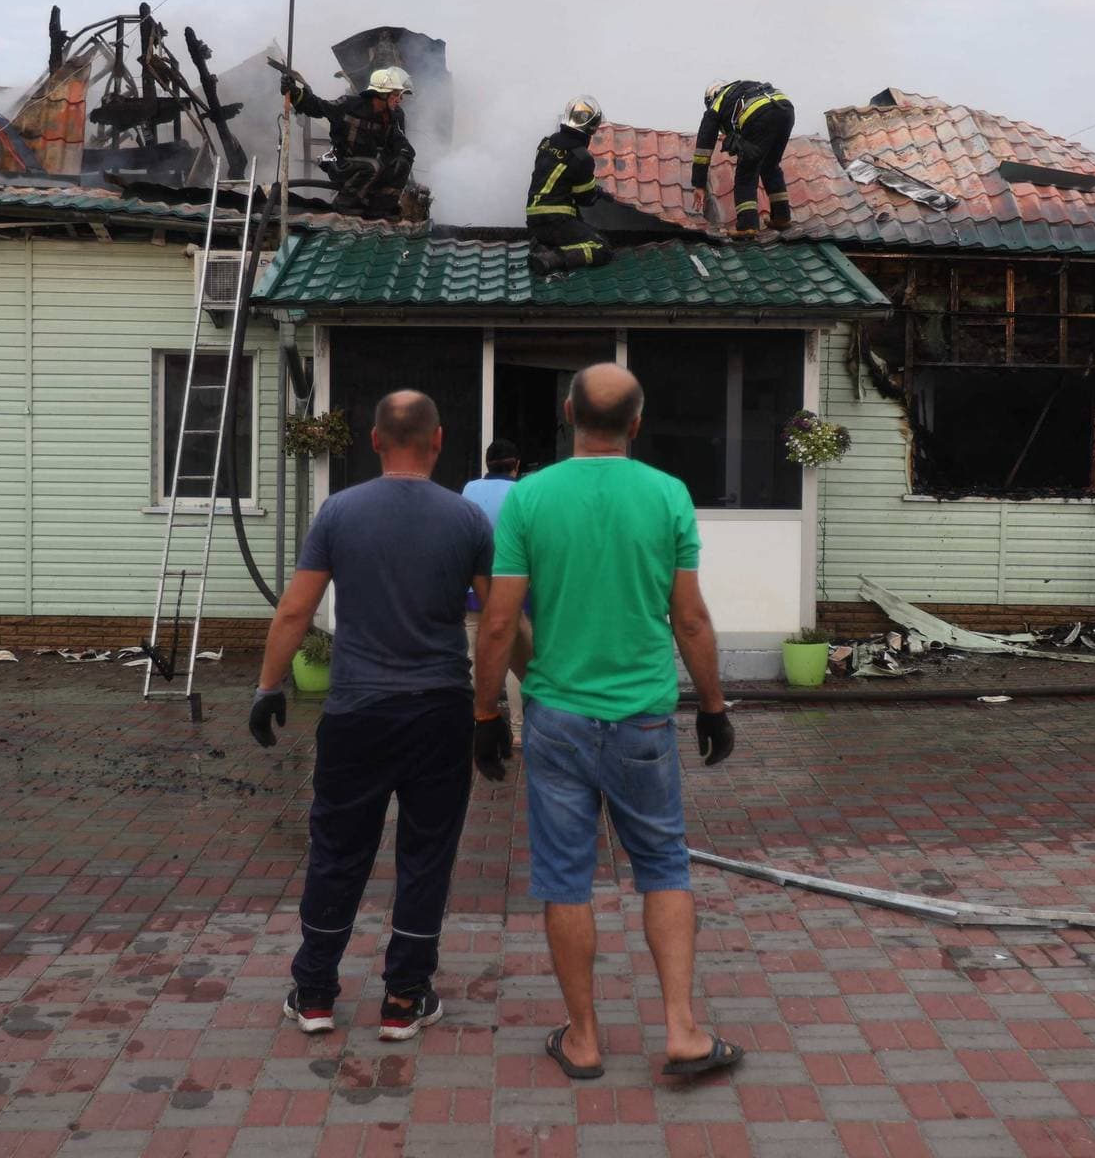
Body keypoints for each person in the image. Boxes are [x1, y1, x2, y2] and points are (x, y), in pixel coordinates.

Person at [471, 363, 744, 1081]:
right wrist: (713, 705)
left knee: (565, 878)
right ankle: (682, 1031)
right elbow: (689, 617)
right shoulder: (667, 495)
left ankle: (585, 1040)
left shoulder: (528, 498)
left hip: (556, 716)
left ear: (567, 414)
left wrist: (487, 711)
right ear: (637, 422)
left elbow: (499, 622)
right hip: (645, 721)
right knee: (664, 866)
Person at [248, 390, 493, 1041]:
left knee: (337, 849)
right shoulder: (468, 520)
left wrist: (269, 686)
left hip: (356, 711)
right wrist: (493, 712)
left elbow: (295, 610)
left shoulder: (339, 512)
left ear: (376, 440)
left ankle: (317, 992)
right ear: (437, 442)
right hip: (441, 709)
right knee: (427, 853)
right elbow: (496, 621)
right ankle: (405, 997)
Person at [282, 64, 416, 218]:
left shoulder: (393, 116)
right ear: (382, 94)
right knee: (372, 166)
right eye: (396, 94)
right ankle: (344, 203)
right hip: (342, 164)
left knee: (403, 162)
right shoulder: (349, 105)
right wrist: (294, 93)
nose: (400, 100)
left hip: (371, 167)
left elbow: (401, 144)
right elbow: (317, 107)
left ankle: (380, 208)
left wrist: (402, 156)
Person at [461, 440, 524, 741]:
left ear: (487, 464)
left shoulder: (469, 490)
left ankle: (477, 721)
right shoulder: (521, 493)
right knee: (514, 657)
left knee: (473, 655)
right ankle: (518, 729)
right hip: (511, 588)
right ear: (516, 465)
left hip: (473, 586)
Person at [688, 79, 795, 237]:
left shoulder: (715, 106)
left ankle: (747, 226)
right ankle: (782, 217)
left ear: (710, 98)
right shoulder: (742, 89)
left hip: (759, 116)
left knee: (746, 173)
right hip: (785, 110)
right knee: (770, 166)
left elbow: (703, 148)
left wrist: (699, 184)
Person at [526, 95, 612, 275]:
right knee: (601, 247)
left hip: (534, 219)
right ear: (591, 128)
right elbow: (585, 198)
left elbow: (557, 177)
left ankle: (542, 246)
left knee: (576, 226)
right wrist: (598, 193)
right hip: (556, 219)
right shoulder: (582, 157)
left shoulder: (546, 143)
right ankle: (552, 259)